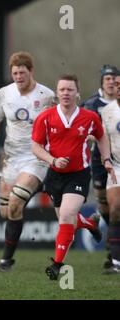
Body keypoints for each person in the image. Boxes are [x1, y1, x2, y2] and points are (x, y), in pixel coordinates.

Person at [31, 74, 114, 280]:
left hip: (79, 174)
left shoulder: (89, 117)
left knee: (67, 215)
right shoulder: (46, 117)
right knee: (66, 219)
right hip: (55, 174)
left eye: (70, 90)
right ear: (57, 93)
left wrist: (106, 159)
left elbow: (102, 137)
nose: (66, 93)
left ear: (78, 93)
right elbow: (35, 146)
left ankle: (58, 264)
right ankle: (88, 224)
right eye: (62, 90)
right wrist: (52, 160)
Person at [0, 51, 55, 272]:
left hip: (36, 158)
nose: (18, 77)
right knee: (8, 212)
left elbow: (58, 125)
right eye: (14, 73)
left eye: (22, 73)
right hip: (11, 159)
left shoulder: (46, 96)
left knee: (16, 202)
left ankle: (6, 261)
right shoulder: (5, 93)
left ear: (31, 71)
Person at [82, 64, 118, 269]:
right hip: (99, 161)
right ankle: (113, 245)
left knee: (116, 206)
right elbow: (84, 129)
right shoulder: (92, 104)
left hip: (118, 161)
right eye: (107, 79)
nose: (111, 82)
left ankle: (115, 251)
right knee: (105, 205)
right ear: (102, 82)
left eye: (114, 78)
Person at [100, 72, 120, 274]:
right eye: (117, 85)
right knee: (114, 209)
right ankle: (116, 262)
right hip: (117, 166)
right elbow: (103, 140)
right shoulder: (107, 111)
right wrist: (105, 159)